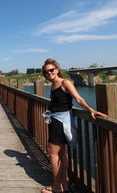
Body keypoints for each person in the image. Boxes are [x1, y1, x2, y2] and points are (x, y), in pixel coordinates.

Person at [41, 58, 108, 193]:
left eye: (51, 70)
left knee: (53, 153)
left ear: (57, 70)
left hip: (60, 122)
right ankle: (63, 184)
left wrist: (91, 110)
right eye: (46, 72)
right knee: (63, 153)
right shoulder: (53, 85)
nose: (49, 73)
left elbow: (78, 98)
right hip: (55, 120)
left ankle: (56, 187)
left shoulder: (65, 82)